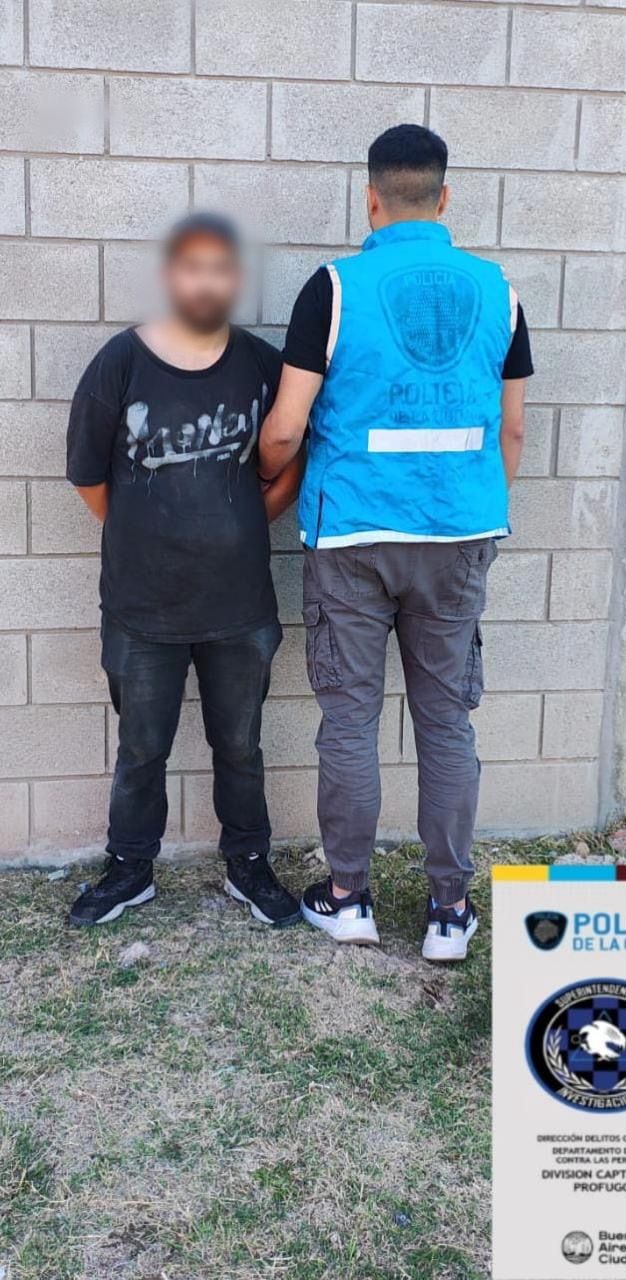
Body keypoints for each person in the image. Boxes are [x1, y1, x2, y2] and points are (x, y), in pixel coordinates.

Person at [259, 125, 534, 961]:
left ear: (369, 199)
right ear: (443, 198)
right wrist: (468, 507)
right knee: (445, 722)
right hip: (458, 537)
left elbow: (285, 428)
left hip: (352, 535)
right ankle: (449, 911)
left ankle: (348, 899)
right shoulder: (498, 290)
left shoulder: (334, 287)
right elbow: (512, 432)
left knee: (349, 720)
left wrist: (263, 489)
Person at [66, 213, 302, 929]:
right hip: (141, 608)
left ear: (236, 280)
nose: (206, 282)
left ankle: (248, 864)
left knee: (240, 746)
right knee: (141, 749)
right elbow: (88, 476)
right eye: (193, 267)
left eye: (220, 269)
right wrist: (144, 534)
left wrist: (242, 521)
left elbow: (295, 458)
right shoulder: (121, 362)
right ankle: (130, 869)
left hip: (239, 606)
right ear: (171, 276)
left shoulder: (263, 366)